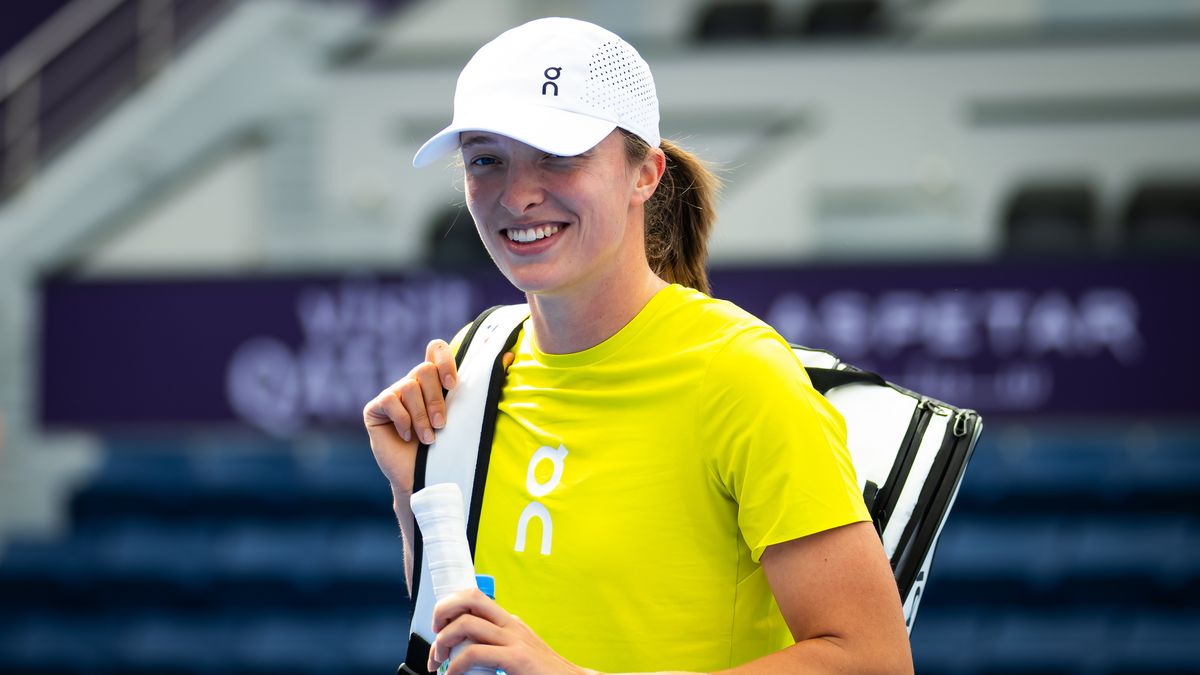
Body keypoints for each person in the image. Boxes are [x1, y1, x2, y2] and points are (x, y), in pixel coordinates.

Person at [363, 17, 913, 675]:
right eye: (486, 160)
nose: (517, 195)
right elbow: (462, 635)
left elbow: (874, 660)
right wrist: (418, 486)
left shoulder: (739, 372)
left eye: (557, 155)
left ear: (645, 173)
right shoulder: (476, 356)